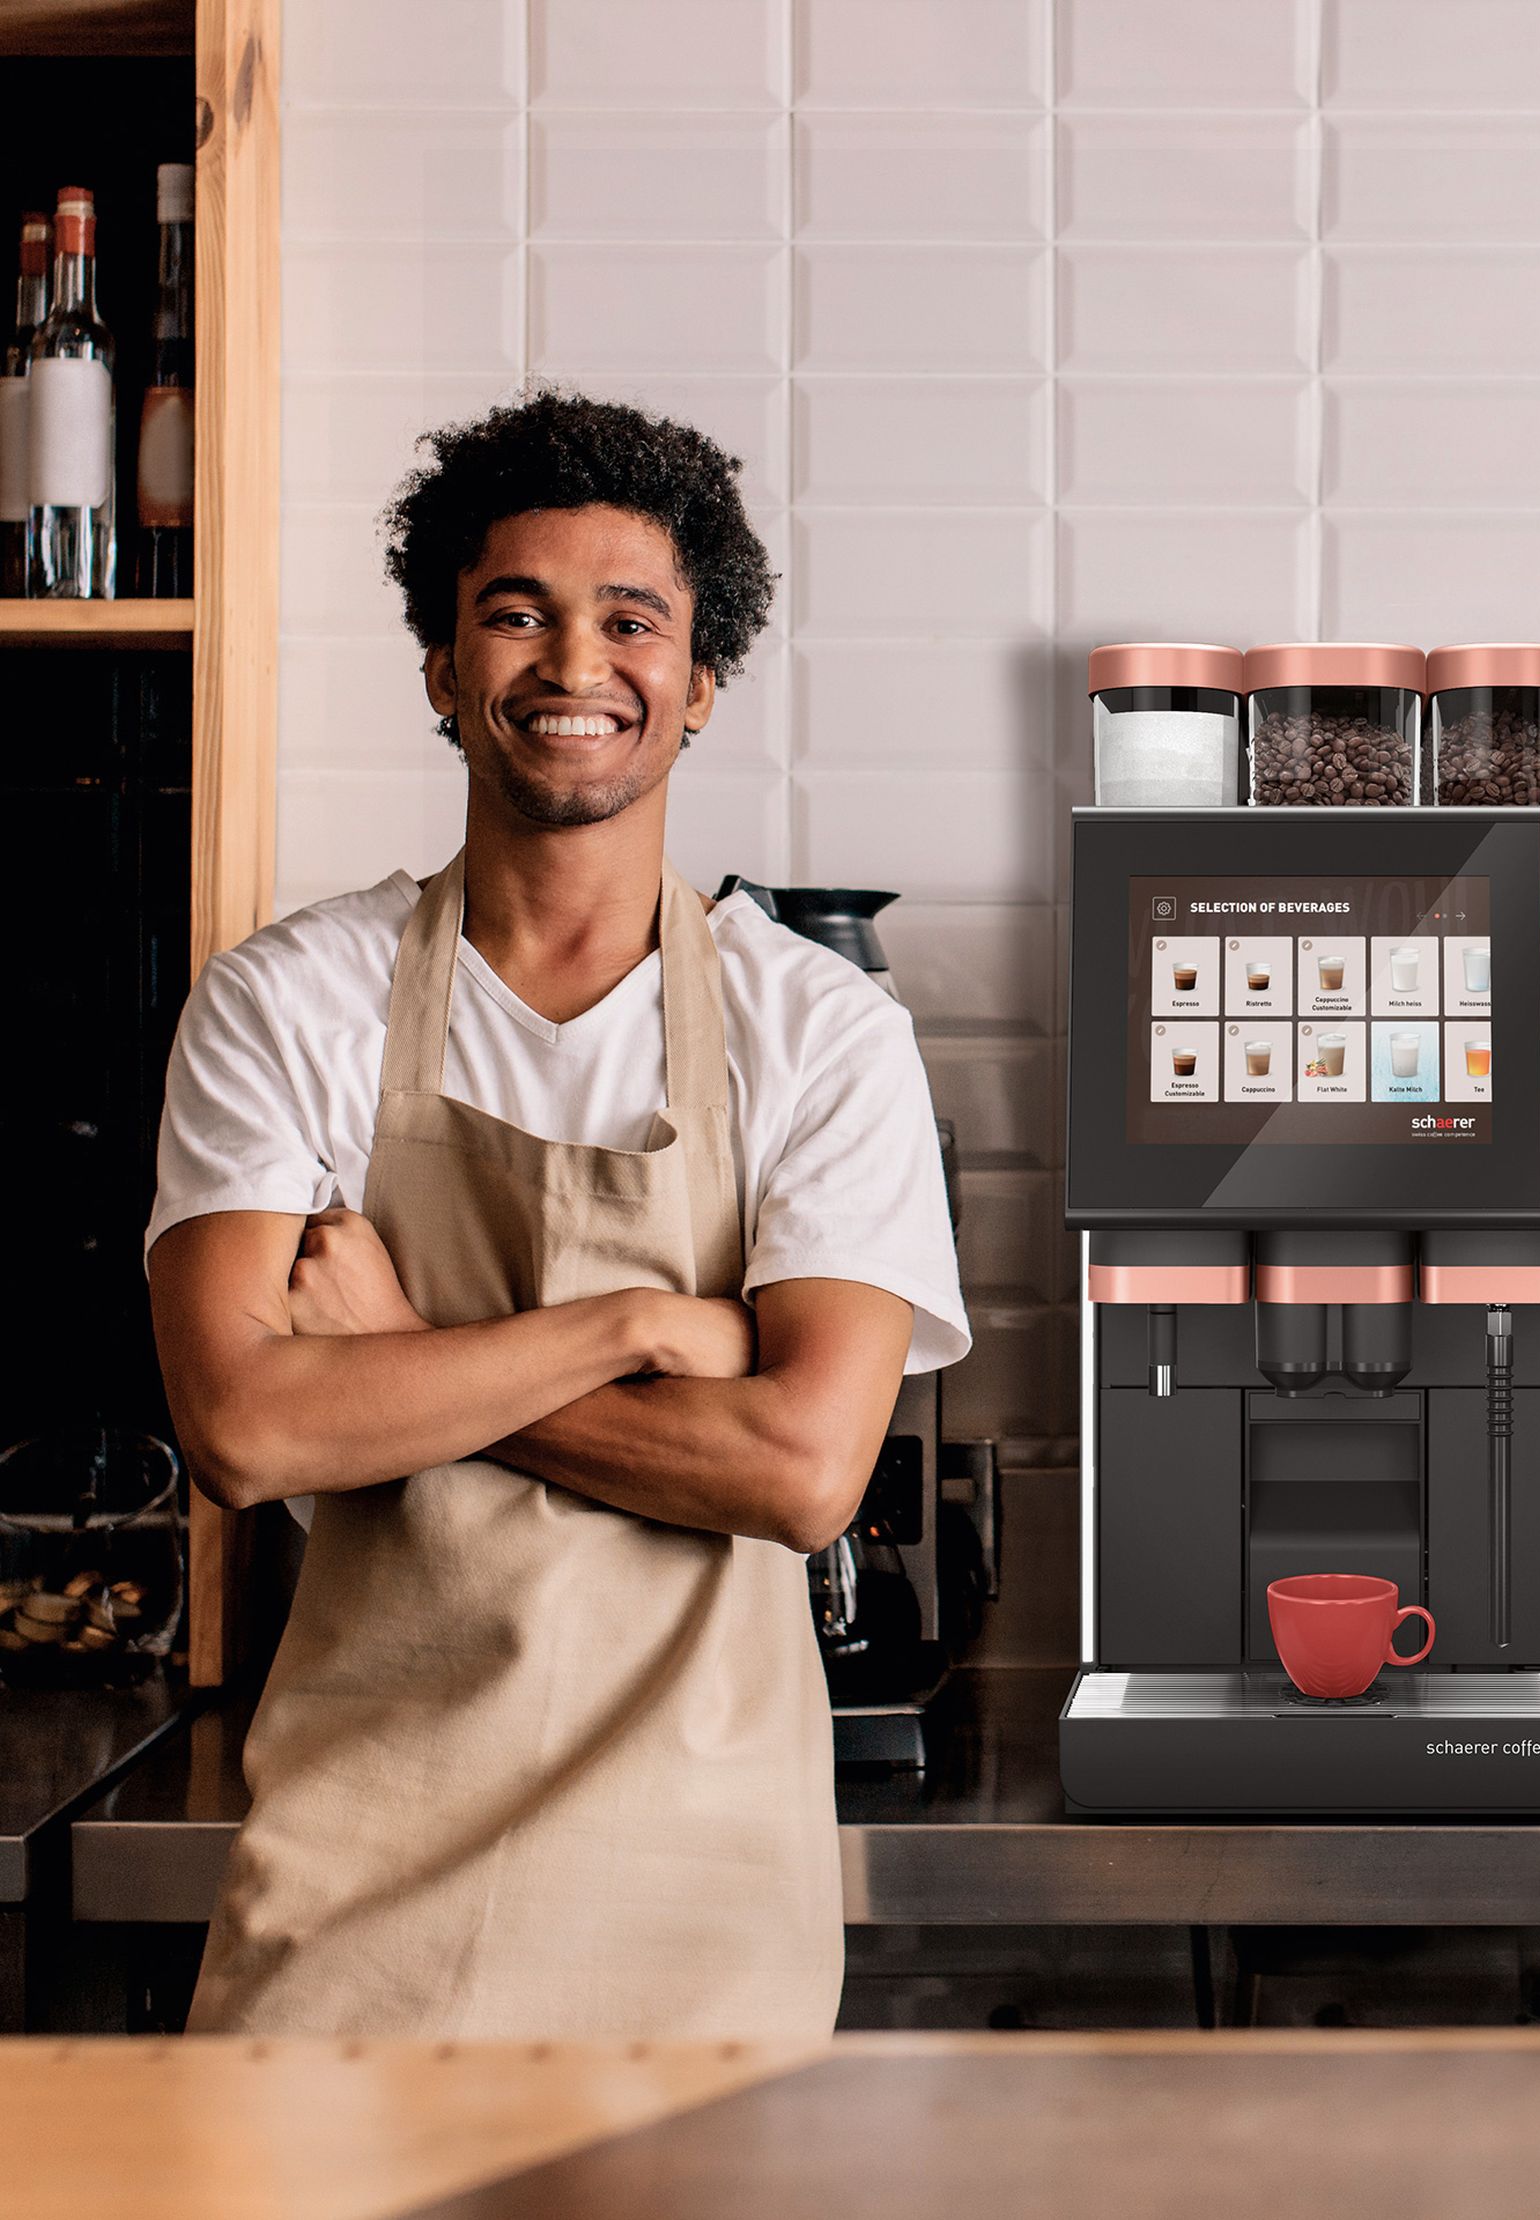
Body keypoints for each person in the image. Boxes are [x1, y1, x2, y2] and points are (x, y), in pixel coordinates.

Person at [146, 390, 968, 2039]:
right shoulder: (287, 1003)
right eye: (513, 613)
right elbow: (242, 1424)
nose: (571, 664)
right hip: (353, 1902)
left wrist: (407, 1365)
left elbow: (803, 1473)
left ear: (701, 682)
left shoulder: (822, 1033)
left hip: (703, 1920)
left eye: (630, 622)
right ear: (445, 670)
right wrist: (641, 1329)